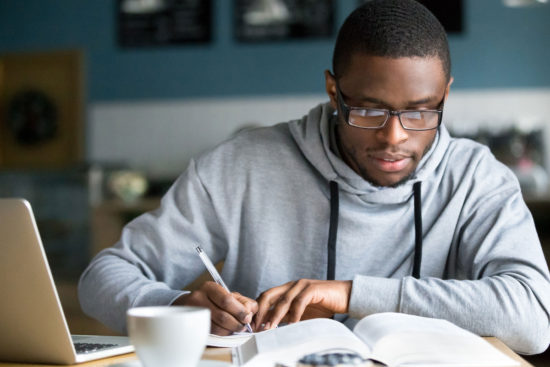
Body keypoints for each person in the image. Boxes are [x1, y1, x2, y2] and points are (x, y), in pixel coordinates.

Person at [79, 0, 550, 355]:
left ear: (445, 95)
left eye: (421, 112)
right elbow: (102, 277)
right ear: (333, 91)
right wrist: (179, 304)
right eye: (368, 109)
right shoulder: (240, 166)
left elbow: (533, 318)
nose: (394, 136)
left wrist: (349, 293)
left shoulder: (477, 178)